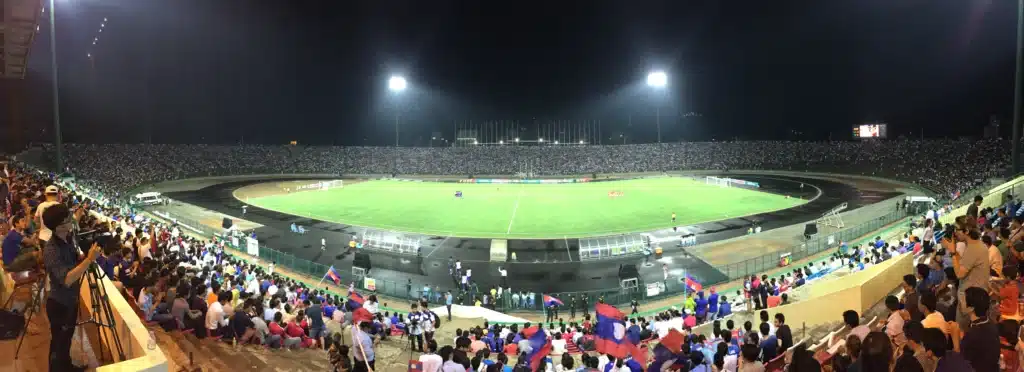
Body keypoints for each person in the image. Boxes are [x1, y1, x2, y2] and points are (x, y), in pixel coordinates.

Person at [42, 203, 103, 372]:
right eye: (68, 219)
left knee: (66, 340)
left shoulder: (67, 237)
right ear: (60, 226)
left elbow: (73, 261)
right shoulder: (51, 250)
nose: (72, 220)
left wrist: (83, 256)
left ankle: (66, 366)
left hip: (70, 300)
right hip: (60, 304)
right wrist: (89, 260)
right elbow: (67, 279)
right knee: (59, 344)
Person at [960, 287, 999, 372]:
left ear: (971, 308)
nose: (960, 302)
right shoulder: (989, 323)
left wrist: (954, 335)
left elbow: (961, 362)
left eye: (963, 300)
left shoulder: (974, 333)